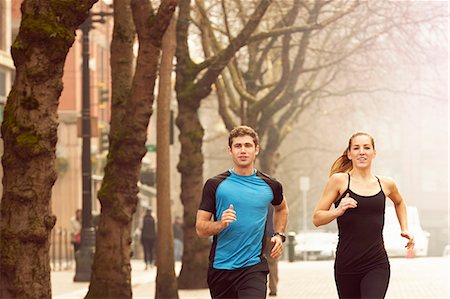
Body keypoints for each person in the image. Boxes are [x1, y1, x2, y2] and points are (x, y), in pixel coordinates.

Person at [312, 132, 415, 299]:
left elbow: (399, 202)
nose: (362, 152)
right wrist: (338, 211)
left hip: (376, 263)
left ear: (374, 153)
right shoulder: (339, 181)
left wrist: (405, 228)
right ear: (349, 153)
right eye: (356, 148)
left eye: (367, 148)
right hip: (347, 264)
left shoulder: (386, 183)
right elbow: (317, 218)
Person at [196, 125, 289, 299]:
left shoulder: (270, 185)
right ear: (230, 151)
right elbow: (200, 228)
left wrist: (279, 234)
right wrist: (220, 224)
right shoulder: (215, 185)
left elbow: (282, 208)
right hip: (220, 267)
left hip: (253, 267)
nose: (243, 150)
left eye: (248, 145)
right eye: (238, 146)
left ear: (256, 150)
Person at [264, 205, 279, 296]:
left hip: (259, 235)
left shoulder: (259, 199)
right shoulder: (275, 203)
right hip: (272, 235)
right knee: (272, 263)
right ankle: (273, 288)